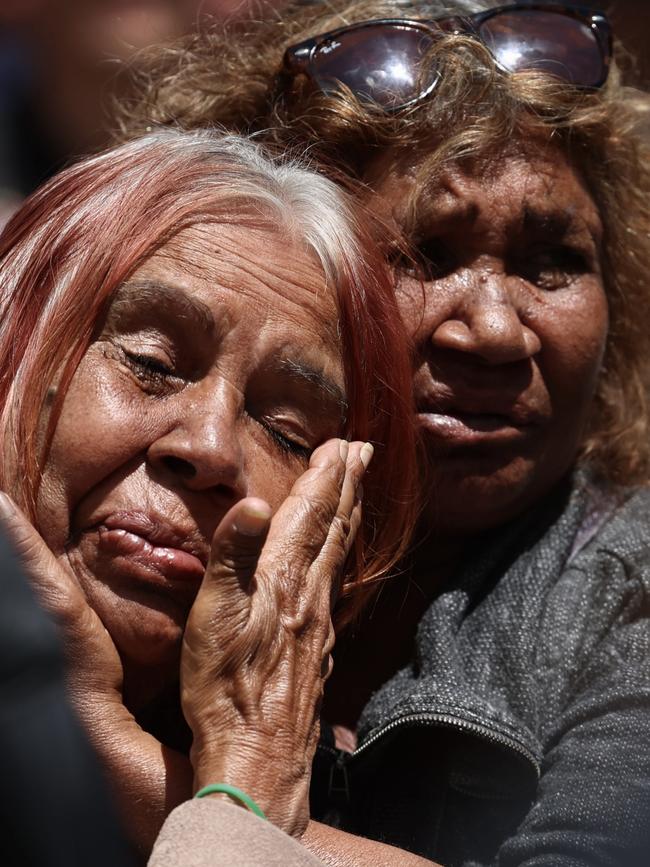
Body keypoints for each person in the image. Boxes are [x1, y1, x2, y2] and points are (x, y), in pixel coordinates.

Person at [110, 1, 650, 865]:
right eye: (425, 254)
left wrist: (92, 741)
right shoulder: (150, 498)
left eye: (553, 262)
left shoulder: (627, 598)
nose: (497, 330)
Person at [0, 127, 418, 862]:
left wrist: (226, 759)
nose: (210, 448)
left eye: (287, 431)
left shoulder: (351, 776)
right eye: (151, 362)